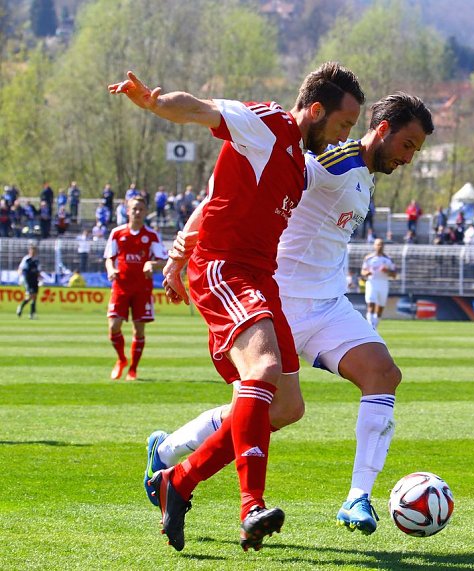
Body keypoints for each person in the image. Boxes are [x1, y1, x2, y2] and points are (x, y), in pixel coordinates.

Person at [143, 93, 433, 538]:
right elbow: (231, 193)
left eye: (416, 150)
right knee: (268, 405)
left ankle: (357, 497)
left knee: (380, 375)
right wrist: (182, 248)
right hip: (277, 296)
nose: (409, 157)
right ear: (383, 129)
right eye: (408, 144)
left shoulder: (362, 176)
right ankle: (176, 458)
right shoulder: (329, 162)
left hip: (327, 305)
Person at [109, 62, 364, 552]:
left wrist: (178, 250)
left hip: (258, 276)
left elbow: (215, 198)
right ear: (315, 110)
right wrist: (156, 104)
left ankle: (177, 481)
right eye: (341, 125)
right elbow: (203, 110)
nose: (341, 137)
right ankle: (251, 507)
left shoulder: (297, 162)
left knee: (287, 407)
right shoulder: (268, 123)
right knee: (263, 368)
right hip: (225, 269)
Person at [104, 197, 168, 381]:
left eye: (141, 209)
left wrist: (152, 264)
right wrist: (111, 269)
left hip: (142, 288)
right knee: (113, 326)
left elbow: (164, 260)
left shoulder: (152, 235)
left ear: (146, 212)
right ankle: (121, 359)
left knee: (138, 330)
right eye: (134, 209)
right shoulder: (117, 233)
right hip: (121, 286)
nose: (137, 212)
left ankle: (133, 369)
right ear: (127, 211)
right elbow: (109, 257)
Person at [362, 238, 398, 330]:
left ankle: (375, 326)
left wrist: (387, 271)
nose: (379, 246)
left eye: (381, 244)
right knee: (371, 303)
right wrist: (367, 273)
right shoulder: (368, 258)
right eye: (378, 244)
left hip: (383, 283)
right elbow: (363, 272)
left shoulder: (388, 259)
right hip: (372, 283)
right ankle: (370, 326)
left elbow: (394, 275)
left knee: (380, 307)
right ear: (374, 246)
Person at [16, 244, 40, 319]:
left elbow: (38, 271)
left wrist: (40, 278)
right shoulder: (26, 259)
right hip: (28, 280)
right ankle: (22, 308)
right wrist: (20, 277)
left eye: (34, 251)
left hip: (35, 280)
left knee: (34, 296)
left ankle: (31, 313)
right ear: (29, 251)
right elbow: (20, 268)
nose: (33, 252)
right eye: (32, 250)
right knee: (31, 296)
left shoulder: (37, 260)